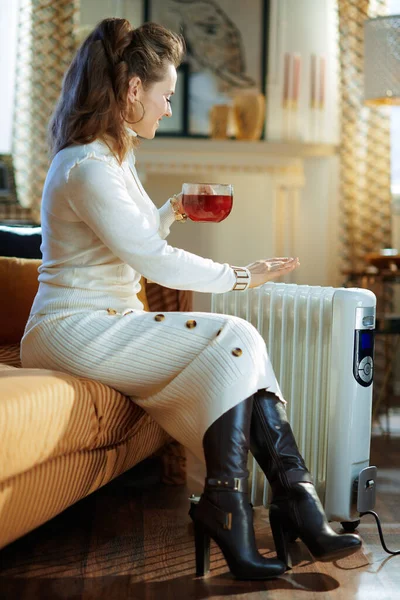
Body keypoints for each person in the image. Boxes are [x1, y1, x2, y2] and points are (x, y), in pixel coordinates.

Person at [21, 18, 362, 581]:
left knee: (237, 345)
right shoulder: (85, 166)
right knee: (234, 333)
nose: (167, 110)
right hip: (69, 329)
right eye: (165, 96)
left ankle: (266, 503)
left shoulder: (114, 158)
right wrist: (242, 275)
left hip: (108, 320)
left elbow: (132, 243)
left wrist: (170, 211)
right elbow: (150, 260)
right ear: (133, 90)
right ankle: (273, 505)